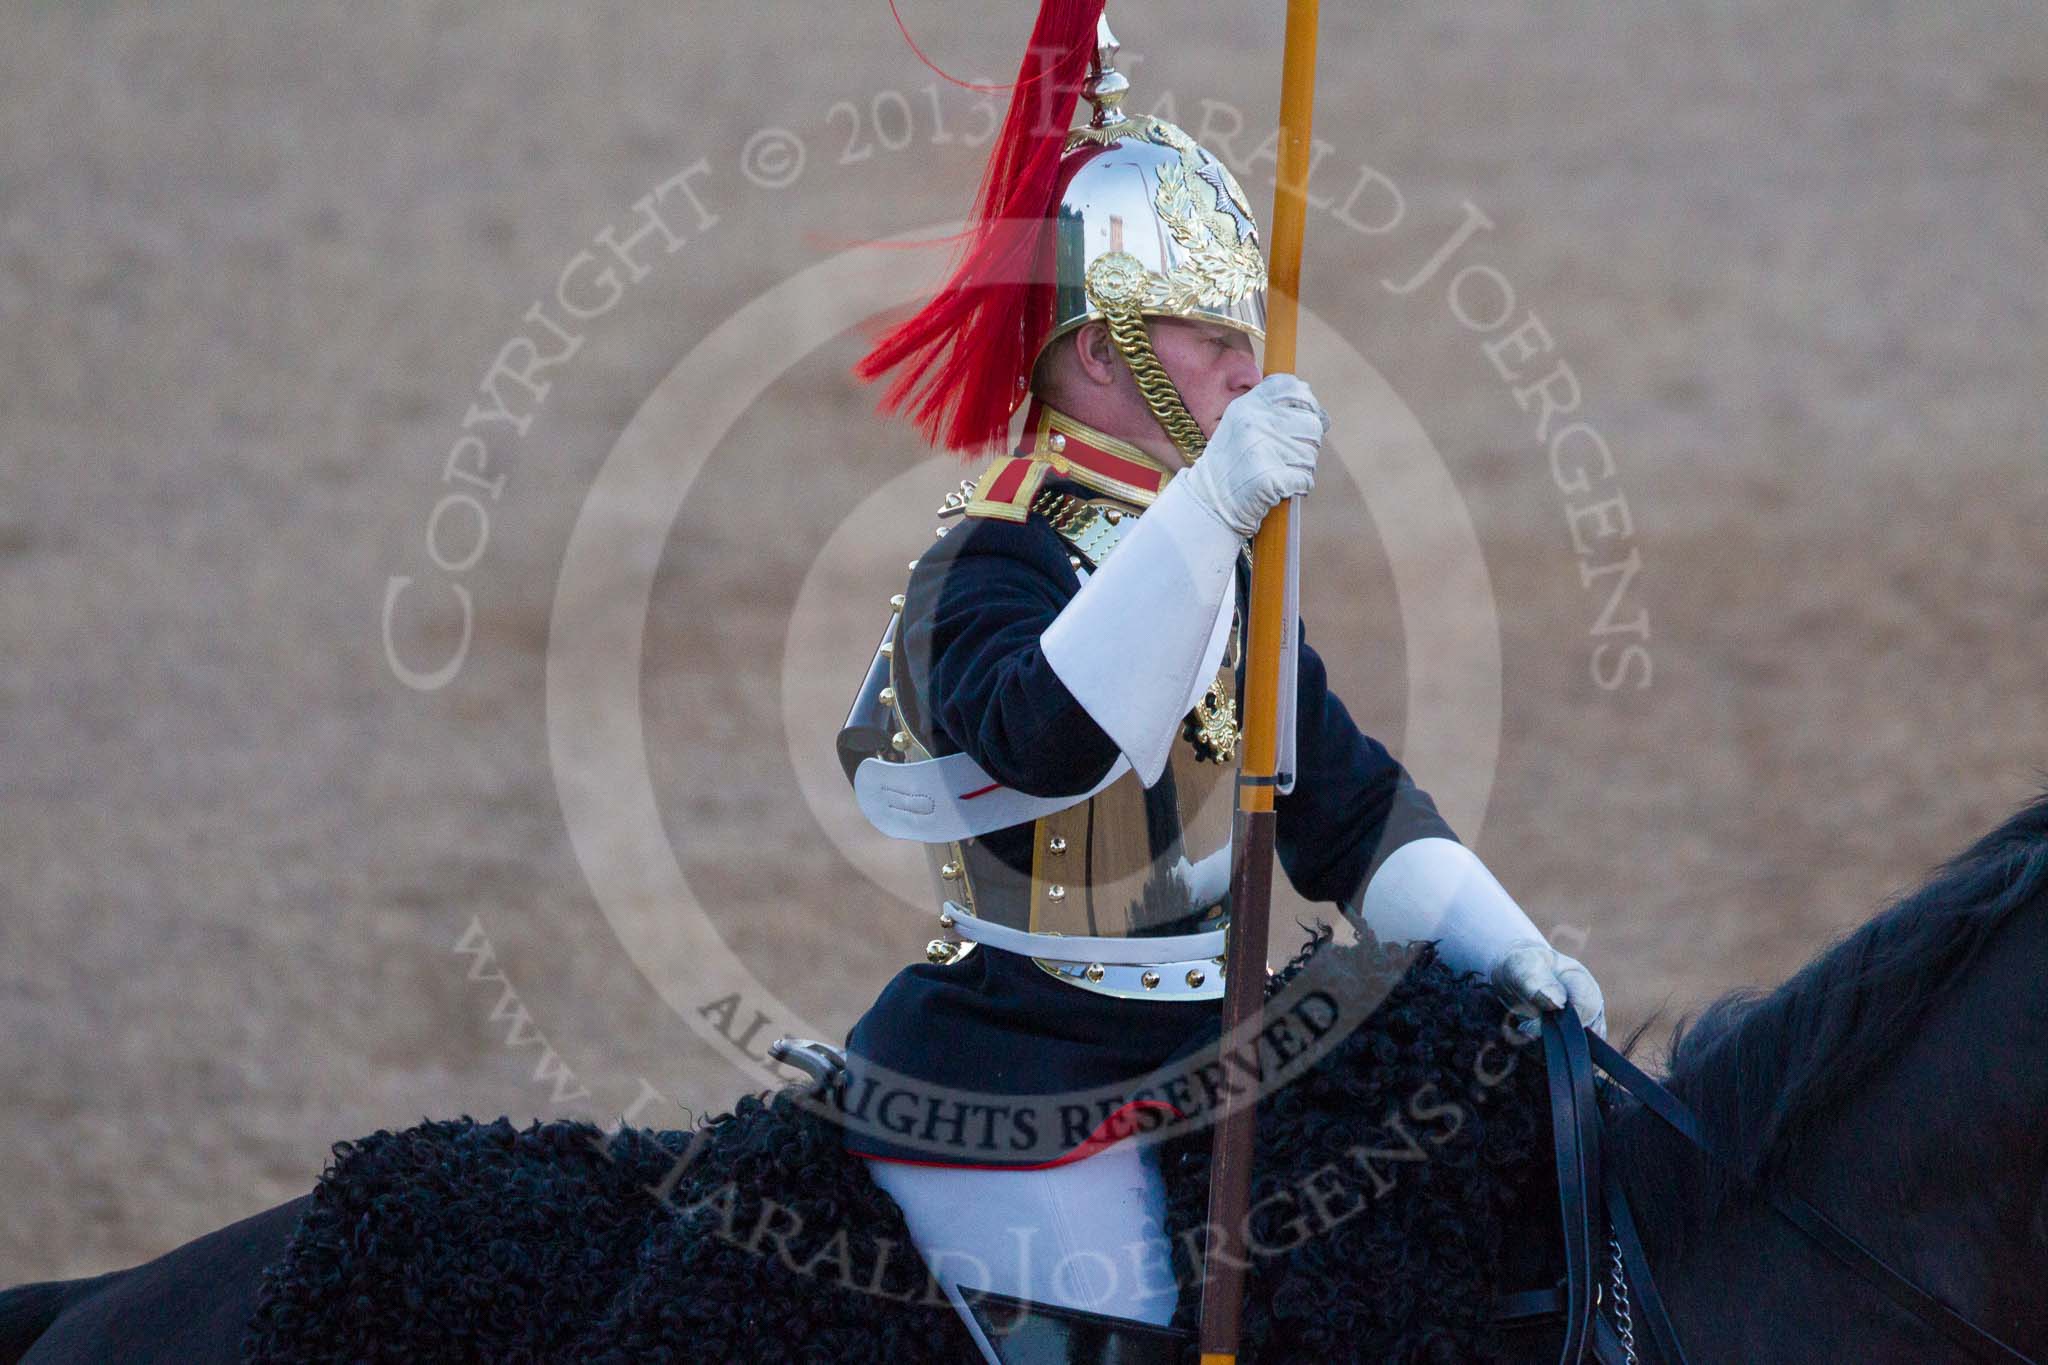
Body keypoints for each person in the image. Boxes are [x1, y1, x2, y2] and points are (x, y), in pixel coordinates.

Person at [833, 5, 1605, 1358]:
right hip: (1013, 1079)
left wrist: (1516, 952)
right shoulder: (989, 554)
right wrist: (1215, 507)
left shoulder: (1214, 564)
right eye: (1207, 335)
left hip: (1216, 1050)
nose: (1251, 367)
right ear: (1097, 351)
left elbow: (1348, 810)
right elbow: (1049, 735)